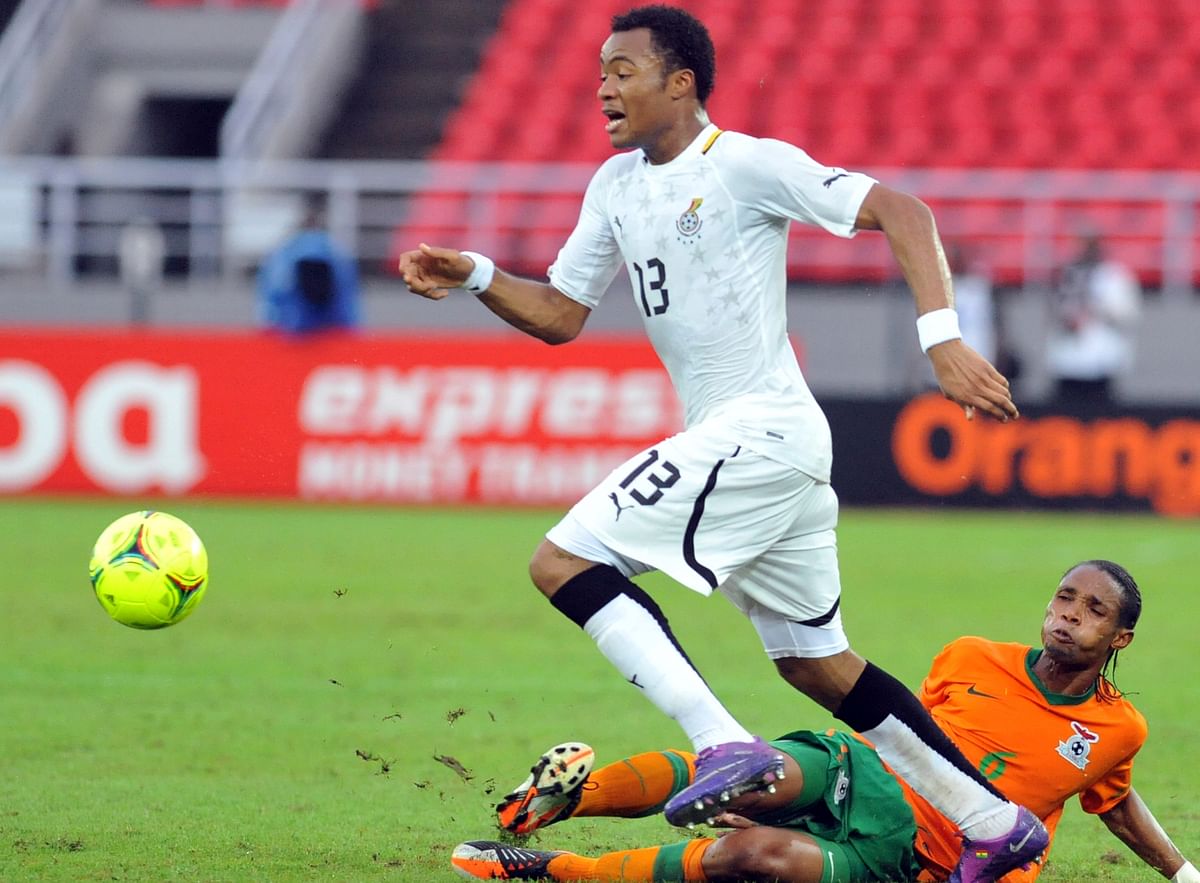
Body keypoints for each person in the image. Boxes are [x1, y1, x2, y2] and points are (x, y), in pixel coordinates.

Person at [400, 7, 1033, 881]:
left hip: (760, 429)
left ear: (681, 82)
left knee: (563, 561)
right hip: (762, 444)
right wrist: (474, 274)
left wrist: (942, 338)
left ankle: (722, 742)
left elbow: (901, 208)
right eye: (600, 71)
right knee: (818, 664)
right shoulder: (615, 186)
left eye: (623, 70)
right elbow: (560, 313)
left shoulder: (743, 164)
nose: (603, 86)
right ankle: (995, 820)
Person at [452, 561, 1199, 883]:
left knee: (750, 857)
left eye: (1094, 609)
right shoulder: (969, 655)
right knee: (751, 772)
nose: (1071, 613)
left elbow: (1116, 801)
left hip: (913, 859)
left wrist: (1181, 870)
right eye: (1066, 596)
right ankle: (562, 800)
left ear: (1119, 639)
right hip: (865, 771)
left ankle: (551, 868)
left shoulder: (1117, 730)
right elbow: (903, 726)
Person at [1046, 231, 1141, 406]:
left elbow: (1127, 312)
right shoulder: (1065, 274)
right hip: (1068, 358)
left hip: (1101, 359)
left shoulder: (1114, 275)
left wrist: (1096, 308)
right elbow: (1054, 309)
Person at [257, 194, 361, 335]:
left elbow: (274, 291)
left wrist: (270, 322)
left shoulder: (286, 253)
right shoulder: (334, 251)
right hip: (307, 320)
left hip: (307, 320)